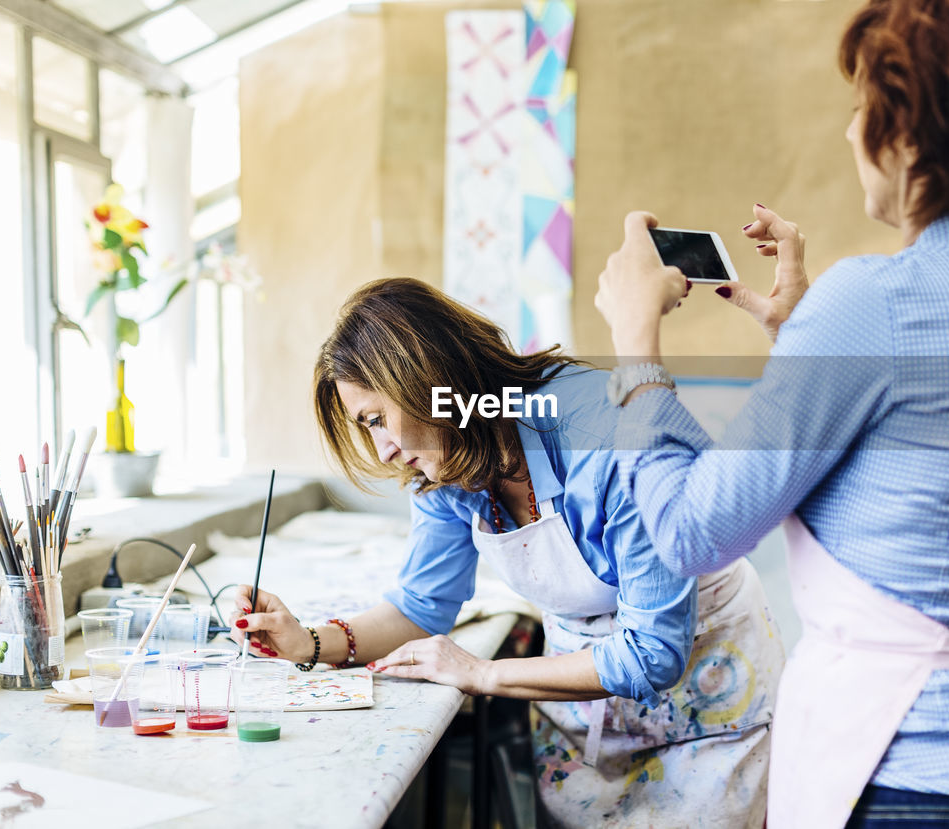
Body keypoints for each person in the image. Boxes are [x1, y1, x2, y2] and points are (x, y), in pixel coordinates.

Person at [593, 0, 949, 826]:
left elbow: (691, 531)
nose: (851, 132)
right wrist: (806, 338)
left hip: (919, 787)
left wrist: (634, 344)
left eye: (864, 106)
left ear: (911, 133)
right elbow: (934, 484)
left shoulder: (874, 302)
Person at [231, 278, 783, 828]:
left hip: (708, 697)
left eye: (377, 419)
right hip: (586, 713)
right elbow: (421, 608)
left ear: (428, 381)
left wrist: (482, 673)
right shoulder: (445, 462)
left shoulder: (604, 432)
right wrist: (307, 642)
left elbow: (651, 653)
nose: (385, 450)